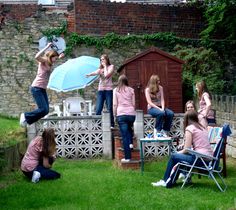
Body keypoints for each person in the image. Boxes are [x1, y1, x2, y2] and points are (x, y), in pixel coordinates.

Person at [151, 110, 213, 188]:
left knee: (174, 156)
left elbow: (186, 149)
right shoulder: (202, 128)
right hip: (208, 159)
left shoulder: (190, 128)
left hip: (200, 159)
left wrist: (177, 153)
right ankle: (171, 181)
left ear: (186, 119)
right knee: (179, 158)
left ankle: (165, 181)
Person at [20, 43, 61, 127]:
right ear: (51, 56)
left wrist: (60, 56)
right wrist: (46, 47)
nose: (55, 60)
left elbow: (53, 60)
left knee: (46, 111)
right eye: (55, 59)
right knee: (43, 109)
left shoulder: (49, 63)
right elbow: (36, 57)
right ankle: (25, 115)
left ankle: (28, 121)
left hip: (42, 89)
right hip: (36, 87)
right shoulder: (44, 60)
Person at [86, 54, 115, 128]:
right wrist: (89, 74)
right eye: (101, 60)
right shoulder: (100, 69)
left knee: (109, 107)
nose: (102, 61)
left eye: (103, 59)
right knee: (98, 108)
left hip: (108, 90)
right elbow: (95, 72)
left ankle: (111, 124)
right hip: (101, 90)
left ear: (107, 59)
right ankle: (97, 125)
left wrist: (105, 66)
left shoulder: (111, 67)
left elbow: (106, 75)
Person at [113, 75, 136, 163]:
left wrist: (115, 115)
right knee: (129, 129)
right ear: (126, 81)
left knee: (125, 135)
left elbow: (115, 104)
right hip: (131, 114)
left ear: (119, 81)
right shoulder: (131, 90)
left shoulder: (116, 90)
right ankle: (130, 144)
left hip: (121, 114)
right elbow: (133, 104)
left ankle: (127, 157)